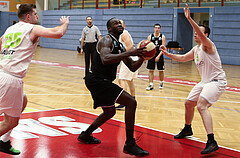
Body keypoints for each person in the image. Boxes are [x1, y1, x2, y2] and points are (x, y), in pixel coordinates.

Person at [0, 4, 69, 155]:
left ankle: (4, 141)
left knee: (23, 101)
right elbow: (58, 33)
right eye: (35, 14)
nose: (37, 17)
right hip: (10, 79)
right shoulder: (31, 28)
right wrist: (65, 23)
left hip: (3, 74)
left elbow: (0, 44)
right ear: (28, 16)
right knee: (11, 121)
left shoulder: (10, 29)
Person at [160, 4, 227, 154]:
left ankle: (212, 141)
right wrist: (168, 54)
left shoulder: (208, 46)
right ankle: (187, 129)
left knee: (201, 105)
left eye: (199, 33)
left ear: (206, 35)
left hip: (217, 82)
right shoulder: (196, 49)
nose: (195, 34)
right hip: (205, 82)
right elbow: (183, 58)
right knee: (188, 103)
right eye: (195, 33)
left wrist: (189, 18)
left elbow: (201, 35)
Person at [77, 18, 149, 157]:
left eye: (120, 23)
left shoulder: (120, 46)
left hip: (101, 81)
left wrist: (142, 57)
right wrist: (130, 53)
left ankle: (86, 135)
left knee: (110, 112)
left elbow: (132, 67)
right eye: (115, 23)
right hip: (97, 80)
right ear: (109, 29)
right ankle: (129, 143)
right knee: (131, 102)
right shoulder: (106, 40)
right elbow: (106, 58)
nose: (119, 25)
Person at [116, 20, 138, 110]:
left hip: (130, 58)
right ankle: (133, 99)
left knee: (121, 79)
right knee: (130, 80)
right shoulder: (121, 34)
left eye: (120, 24)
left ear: (124, 25)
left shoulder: (124, 34)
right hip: (131, 58)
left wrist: (121, 55)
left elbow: (129, 46)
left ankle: (124, 101)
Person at [146, 23, 166, 90]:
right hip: (152, 55)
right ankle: (151, 84)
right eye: (156, 28)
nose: (157, 29)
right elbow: (147, 47)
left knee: (161, 70)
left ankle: (161, 82)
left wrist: (158, 56)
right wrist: (146, 56)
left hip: (159, 55)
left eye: (158, 28)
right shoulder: (150, 36)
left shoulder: (162, 37)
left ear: (160, 29)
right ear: (154, 28)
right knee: (151, 70)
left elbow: (163, 48)